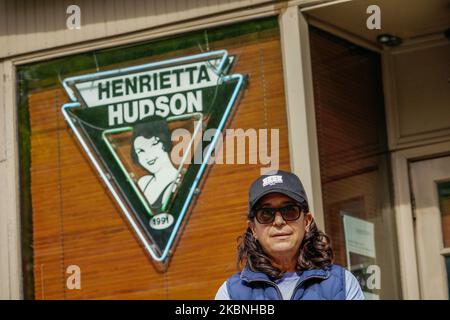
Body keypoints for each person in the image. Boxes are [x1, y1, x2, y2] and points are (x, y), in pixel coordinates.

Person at [215, 170, 364, 300]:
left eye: (289, 210)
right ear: (253, 228)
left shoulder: (342, 284)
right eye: (266, 214)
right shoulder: (230, 294)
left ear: (306, 221)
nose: (279, 221)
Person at [130, 116, 179, 212]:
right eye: (140, 151)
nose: (148, 156)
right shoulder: (143, 183)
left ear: (165, 143)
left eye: (153, 144)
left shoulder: (177, 183)